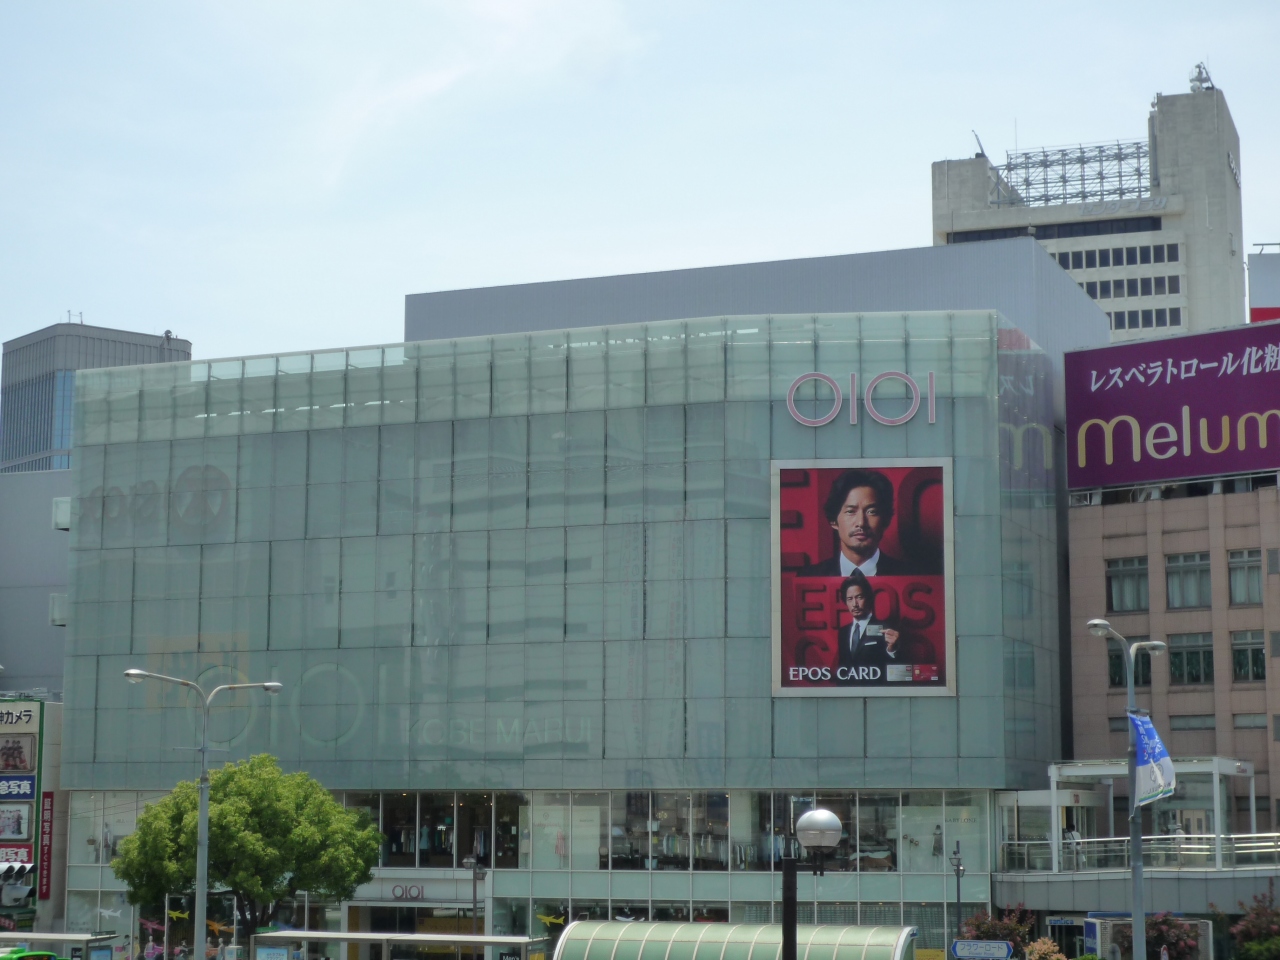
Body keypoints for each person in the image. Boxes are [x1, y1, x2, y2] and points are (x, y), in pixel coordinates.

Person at [799, 469, 911, 576]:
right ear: (834, 521)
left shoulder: (908, 575)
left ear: (885, 520)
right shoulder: (810, 576)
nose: (861, 523)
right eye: (850, 511)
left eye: (871, 512)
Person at [834, 572, 913, 684]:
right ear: (845, 602)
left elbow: (900, 671)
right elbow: (842, 667)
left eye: (859, 597)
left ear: (869, 599)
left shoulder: (887, 628)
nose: (855, 604)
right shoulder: (843, 631)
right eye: (850, 599)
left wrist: (893, 650)